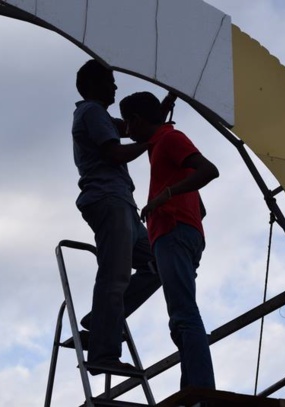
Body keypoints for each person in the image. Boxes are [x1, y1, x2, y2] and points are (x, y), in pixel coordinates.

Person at [119, 91, 219, 389]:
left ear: (136, 120)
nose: (128, 131)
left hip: (173, 232)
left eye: (128, 123)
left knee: (183, 314)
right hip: (179, 232)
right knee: (181, 314)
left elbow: (208, 170)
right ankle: (193, 385)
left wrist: (167, 196)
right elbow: (200, 204)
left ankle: (200, 388)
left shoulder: (170, 140)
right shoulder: (160, 143)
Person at [71, 60, 161, 374]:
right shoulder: (92, 112)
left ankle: (100, 321)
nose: (115, 87)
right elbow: (116, 151)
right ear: (95, 85)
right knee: (115, 275)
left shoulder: (100, 116)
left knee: (157, 264)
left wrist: (161, 111)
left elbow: (133, 126)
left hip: (120, 201)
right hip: (109, 200)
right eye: (110, 81)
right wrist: (152, 141)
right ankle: (102, 354)